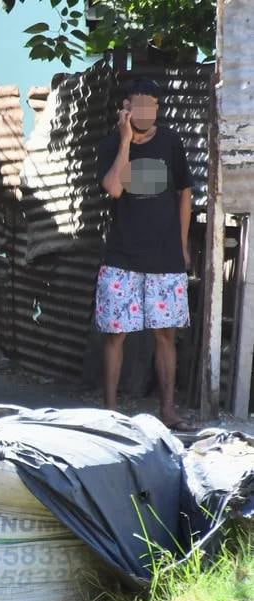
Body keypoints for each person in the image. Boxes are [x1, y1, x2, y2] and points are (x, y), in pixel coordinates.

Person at [95, 77, 195, 431]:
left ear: (157, 107)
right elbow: (113, 189)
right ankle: (109, 414)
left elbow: (185, 193)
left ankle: (167, 412)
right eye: (137, 105)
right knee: (115, 335)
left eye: (150, 105)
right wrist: (125, 142)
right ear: (126, 107)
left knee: (165, 335)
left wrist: (182, 245)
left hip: (165, 257)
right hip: (122, 257)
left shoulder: (171, 143)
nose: (144, 112)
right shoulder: (111, 145)